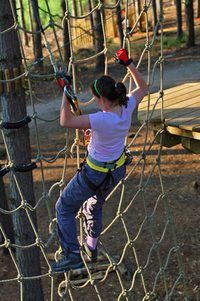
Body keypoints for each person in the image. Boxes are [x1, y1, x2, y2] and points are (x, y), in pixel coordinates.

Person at [51, 48, 148, 273]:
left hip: (93, 173)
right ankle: (90, 249)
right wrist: (129, 64)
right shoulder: (127, 105)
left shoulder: (101, 119)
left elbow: (65, 121)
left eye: (96, 99)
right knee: (94, 204)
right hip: (116, 171)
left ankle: (73, 255)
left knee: (64, 207)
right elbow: (143, 87)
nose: (96, 102)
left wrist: (65, 94)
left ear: (103, 99)